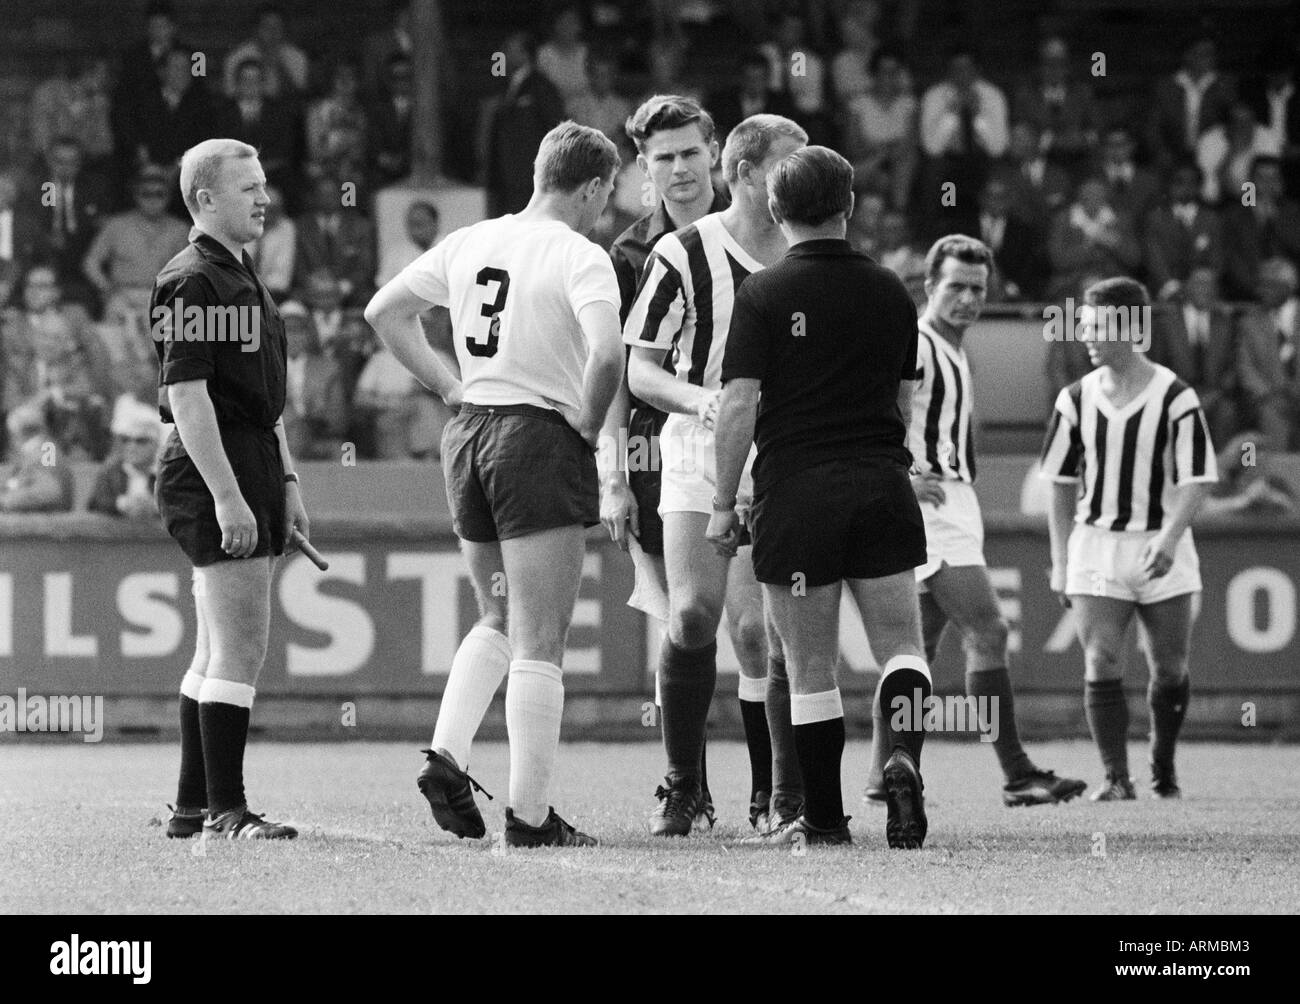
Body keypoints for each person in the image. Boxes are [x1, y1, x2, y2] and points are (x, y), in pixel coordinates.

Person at [365, 121, 624, 847]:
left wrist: (449, 385)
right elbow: (607, 353)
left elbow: (383, 312)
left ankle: (447, 754)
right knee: (543, 637)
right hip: (536, 436)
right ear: (595, 186)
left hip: (469, 432)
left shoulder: (473, 239)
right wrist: (585, 425)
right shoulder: (581, 256)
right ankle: (532, 817)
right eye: (606, 194)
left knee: (498, 615)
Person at [706, 145, 931, 849]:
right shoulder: (893, 290)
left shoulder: (764, 294)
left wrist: (721, 501)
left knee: (808, 669)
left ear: (775, 210)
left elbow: (739, 403)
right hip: (881, 484)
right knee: (903, 647)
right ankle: (900, 754)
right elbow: (903, 393)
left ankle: (826, 821)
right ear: (851, 205)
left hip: (795, 492)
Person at [603, 95, 797, 833]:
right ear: (644, 171)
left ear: (719, 155)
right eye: (663, 158)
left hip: (776, 450)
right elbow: (623, 370)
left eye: (690, 153)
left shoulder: (798, 235)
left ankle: (774, 793)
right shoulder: (638, 253)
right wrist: (614, 472)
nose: (679, 169)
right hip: (672, 450)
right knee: (689, 617)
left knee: (758, 632)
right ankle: (684, 784)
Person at [860, 234, 1086, 809]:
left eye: (977, 289)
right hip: (929, 505)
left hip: (953, 501)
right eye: (955, 286)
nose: (967, 298)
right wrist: (899, 477)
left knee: (916, 649)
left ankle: (880, 775)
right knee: (989, 632)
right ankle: (1016, 773)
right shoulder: (912, 339)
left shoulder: (954, 347)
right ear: (929, 286)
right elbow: (870, 407)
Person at [152, 138, 308, 840]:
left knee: (216, 646)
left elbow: (264, 399)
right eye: (248, 186)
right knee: (241, 645)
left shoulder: (236, 272)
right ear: (204, 199)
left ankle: (194, 807)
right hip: (216, 464)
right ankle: (228, 809)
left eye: (263, 182)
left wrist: (289, 479)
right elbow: (187, 397)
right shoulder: (191, 279)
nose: (263, 196)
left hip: (249, 459)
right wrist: (228, 495)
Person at [1041, 277, 1218, 801]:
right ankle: (1116, 778)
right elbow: (1059, 482)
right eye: (1084, 326)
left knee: (1169, 667)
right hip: (1096, 544)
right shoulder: (1074, 399)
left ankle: (1162, 761)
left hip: (1160, 544)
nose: (1088, 337)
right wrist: (1059, 559)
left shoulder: (1176, 397)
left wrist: (1169, 538)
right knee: (1101, 659)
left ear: (1131, 327)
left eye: (1097, 327)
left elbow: (1197, 478)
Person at [1237, 257, 1300, 450]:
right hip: (1268, 398)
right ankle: (1276, 477)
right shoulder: (1250, 322)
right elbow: (1244, 367)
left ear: (1287, 287)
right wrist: (1267, 396)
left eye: (1269, 285)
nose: (1260, 291)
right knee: (1271, 416)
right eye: (1260, 284)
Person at [87, 400, 161, 518]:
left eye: (141, 441)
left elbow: (181, 505)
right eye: (126, 440)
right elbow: (94, 504)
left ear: (155, 444)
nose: (132, 447)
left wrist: (156, 507)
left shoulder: (167, 474)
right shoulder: (110, 471)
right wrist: (121, 504)